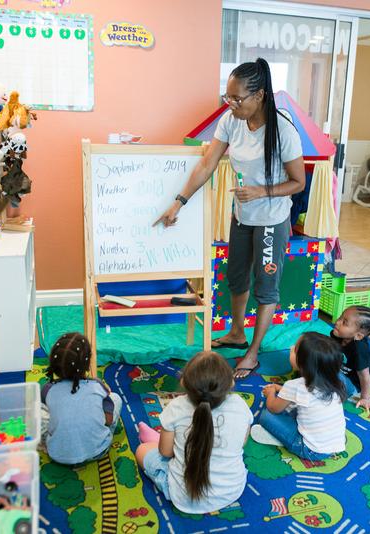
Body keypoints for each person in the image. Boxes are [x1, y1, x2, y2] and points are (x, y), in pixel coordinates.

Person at [154, 58, 305, 379]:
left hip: (271, 220)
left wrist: (262, 192)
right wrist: (178, 202)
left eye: (238, 98)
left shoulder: (284, 131)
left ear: (260, 96)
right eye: (228, 97)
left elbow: (298, 182)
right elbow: (207, 165)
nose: (231, 103)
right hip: (242, 215)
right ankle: (238, 332)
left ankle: (253, 351)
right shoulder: (231, 120)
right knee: (235, 278)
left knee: (266, 287)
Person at [134, 351, 253, 514]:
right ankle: (159, 440)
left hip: (182, 495)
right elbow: (242, 442)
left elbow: (166, 452)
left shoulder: (176, 406)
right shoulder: (240, 404)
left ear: (183, 382)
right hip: (231, 489)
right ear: (231, 383)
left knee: (142, 450)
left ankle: (154, 439)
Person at [252, 332, 346, 460]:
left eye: (295, 350)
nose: (291, 348)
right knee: (294, 407)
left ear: (303, 363)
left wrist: (271, 393)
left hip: (309, 449)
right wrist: (282, 389)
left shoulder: (296, 385)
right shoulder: (334, 381)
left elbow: (273, 408)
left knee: (266, 416)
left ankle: (283, 440)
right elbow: (304, 396)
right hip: (333, 444)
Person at [41, 332, 122, 465]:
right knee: (116, 399)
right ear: (87, 363)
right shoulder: (97, 386)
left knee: (39, 410)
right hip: (98, 450)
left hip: (58, 454)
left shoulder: (47, 389)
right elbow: (108, 420)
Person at [330, 305, 370, 415]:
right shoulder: (338, 335)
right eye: (340, 317)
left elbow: (365, 376)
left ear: (358, 335)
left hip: (352, 384)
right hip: (339, 370)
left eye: (344, 322)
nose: (337, 322)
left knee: (328, 376)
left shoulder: (360, 350)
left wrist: (364, 397)